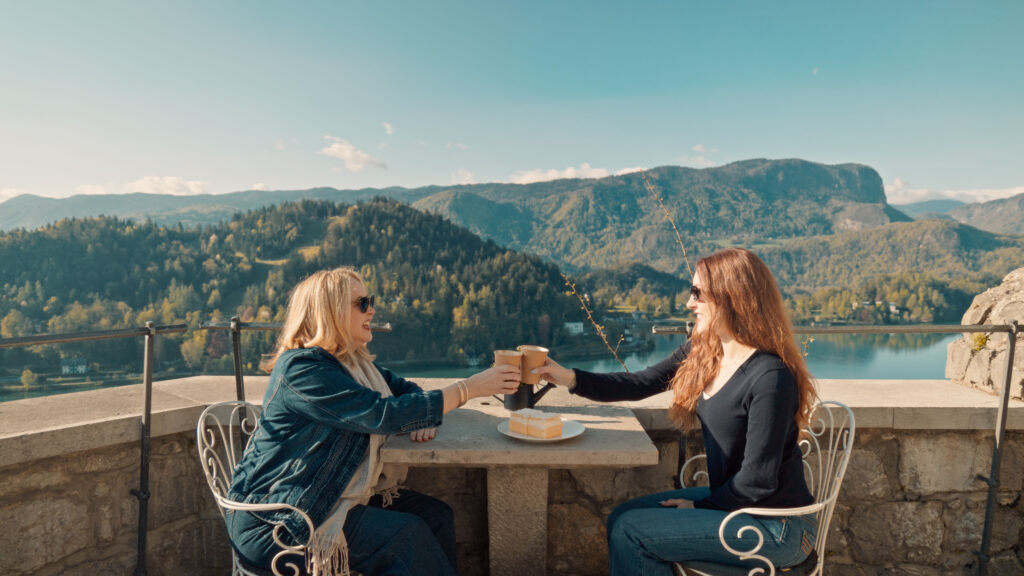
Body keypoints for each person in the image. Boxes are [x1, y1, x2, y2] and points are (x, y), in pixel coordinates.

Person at [534, 247, 819, 575]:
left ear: (732, 297)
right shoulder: (705, 352)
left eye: (698, 293)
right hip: (738, 506)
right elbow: (640, 383)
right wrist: (568, 377)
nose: (689, 303)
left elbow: (757, 481)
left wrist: (700, 506)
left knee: (632, 532)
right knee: (620, 517)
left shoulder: (770, 377)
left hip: (775, 527)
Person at [226, 266, 521, 576]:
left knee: (436, 516)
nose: (372, 310)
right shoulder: (303, 370)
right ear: (331, 311)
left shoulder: (351, 363)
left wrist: (422, 417)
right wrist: (467, 389)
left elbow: (406, 391)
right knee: (406, 536)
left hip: (327, 495)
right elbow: (382, 414)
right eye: (362, 303)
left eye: (371, 301)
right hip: (280, 519)